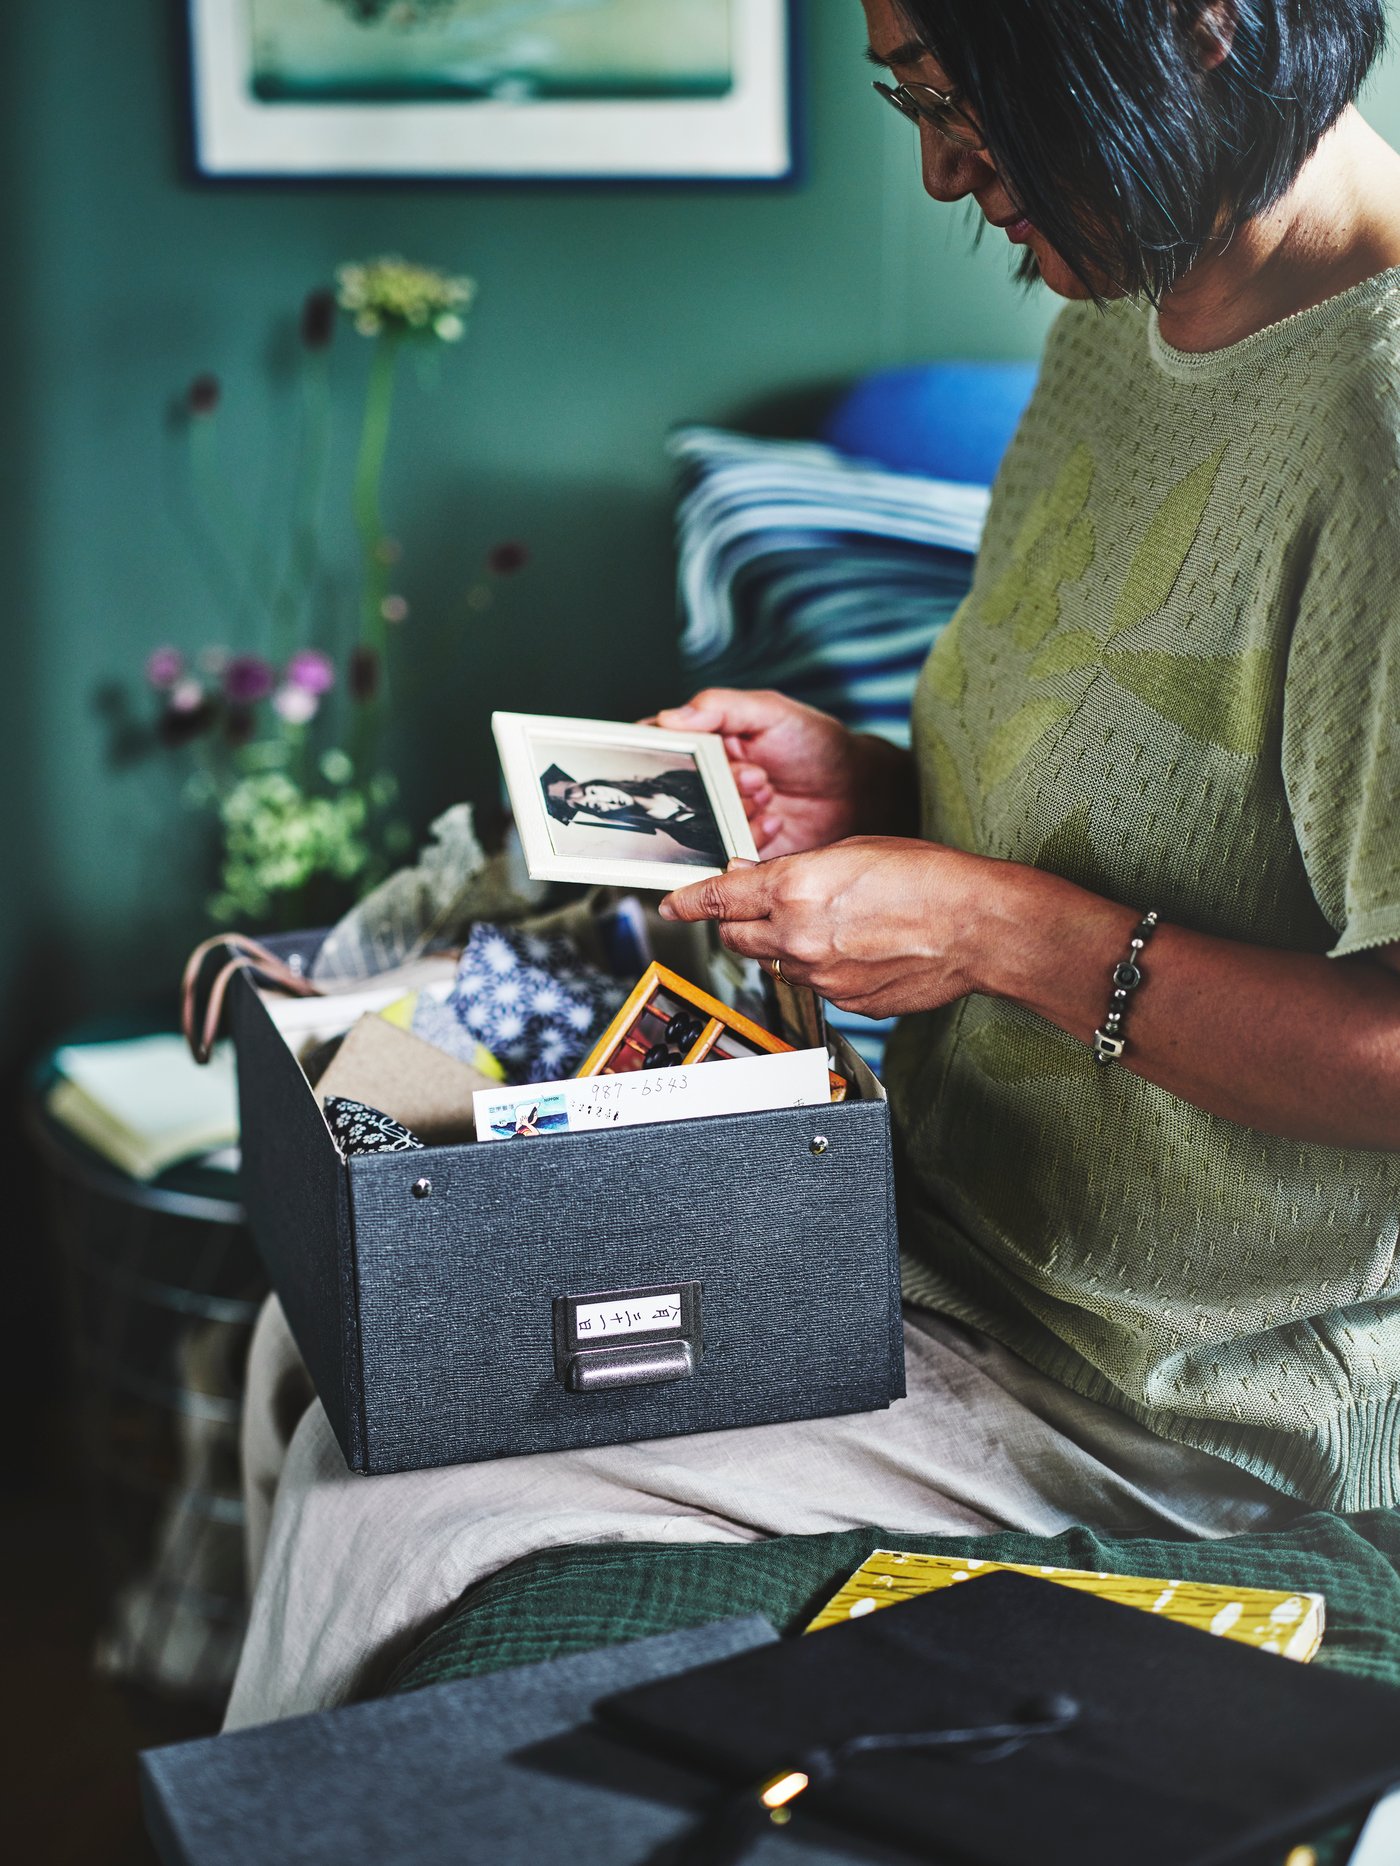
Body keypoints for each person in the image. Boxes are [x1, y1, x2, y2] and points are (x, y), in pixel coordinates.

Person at [224, 0, 1400, 1729]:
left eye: (969, 102)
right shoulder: (1125, 312)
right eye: (911, 99)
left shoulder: (1376, 415)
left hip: (1189, 1409)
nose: (938, 171)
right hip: (947, 1244)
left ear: (1204, 26)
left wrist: (996, 928)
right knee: (335, 1343)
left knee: (391, 1498)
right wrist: (875, 789)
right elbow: (1170, 791)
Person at [541, 761, 726, 860]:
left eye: (594, 792)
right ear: (602, 813)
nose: (605, 800)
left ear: (600, 783)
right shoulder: (684, 835)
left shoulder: (671, 779)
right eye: (595, 805)